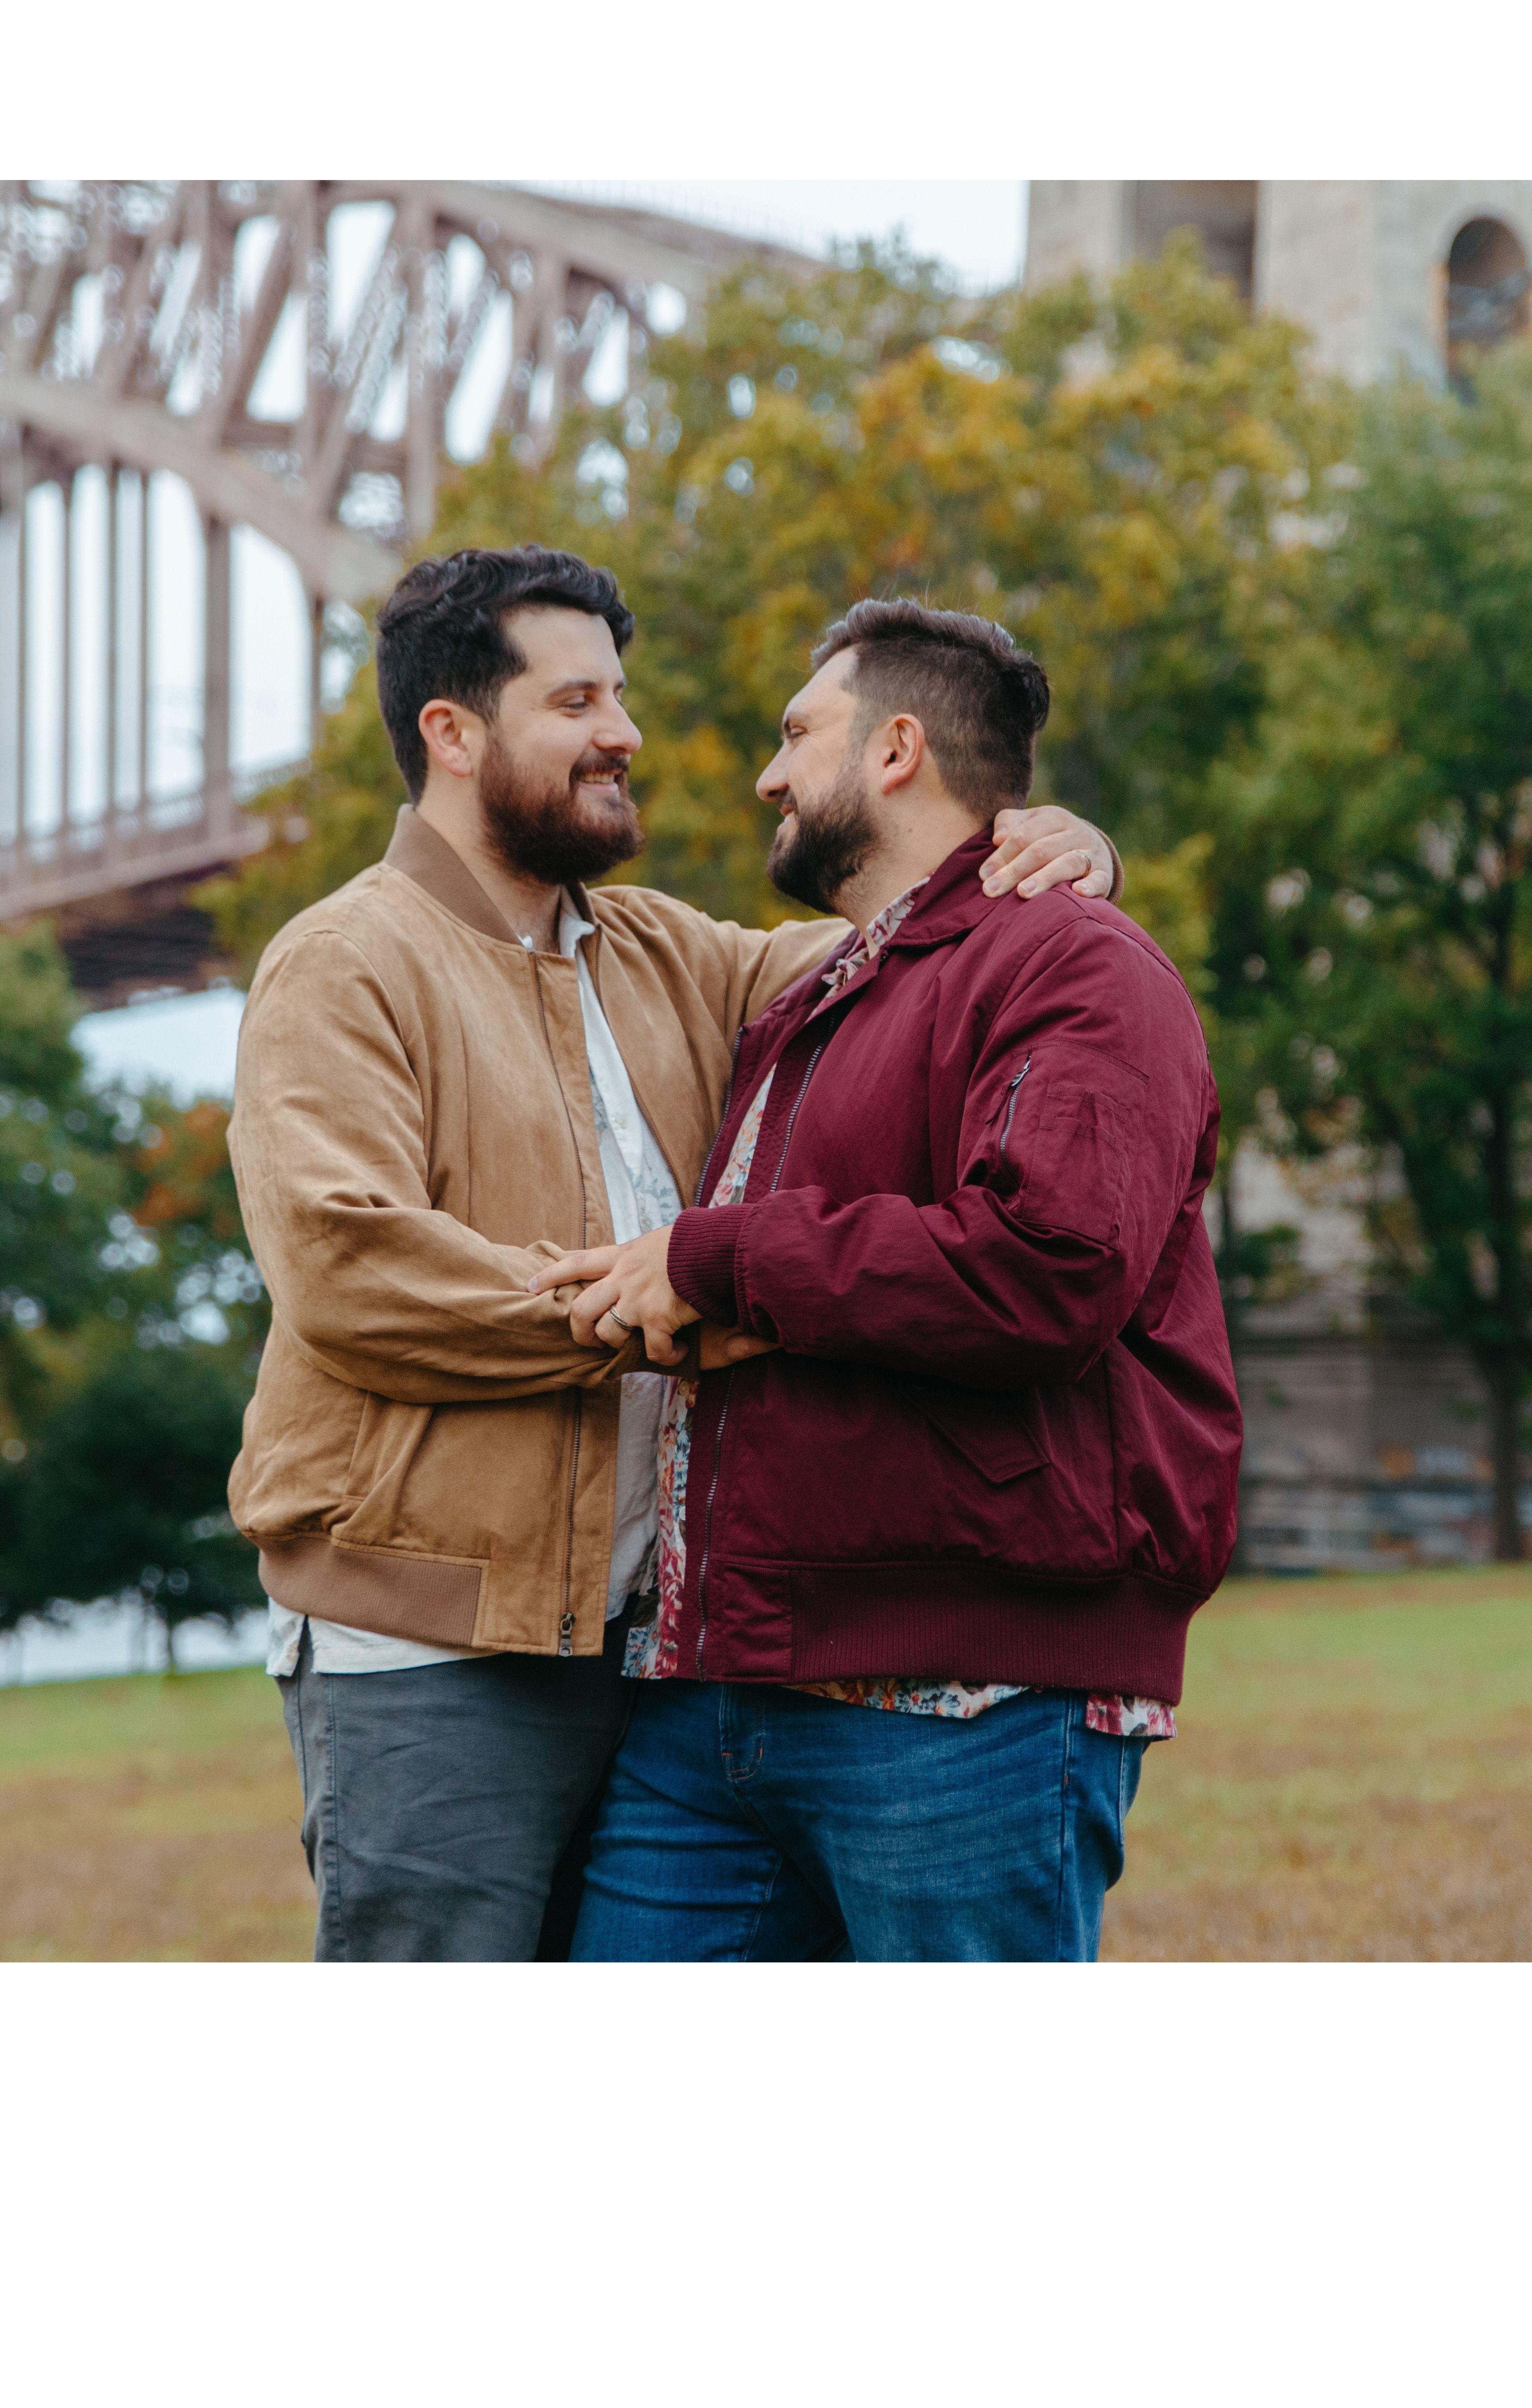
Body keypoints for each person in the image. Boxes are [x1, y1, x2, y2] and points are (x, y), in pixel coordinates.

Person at [223, 547, 1119, 1961]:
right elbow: (351, 1270)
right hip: (433, 1656)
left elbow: (918, 946)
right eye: (576, 701)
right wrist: (684, 1307)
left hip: (646, 1651)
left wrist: (1046, 855)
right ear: (453, 734)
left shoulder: (665, 955)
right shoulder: (344, 960)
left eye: (619, 696)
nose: (624, 733)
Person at [532, 597, 1242, 1962]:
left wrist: (712, 1259)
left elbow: (1049, 1265)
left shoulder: (1079, 964)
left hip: (972, 1703)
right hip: (720, 1693)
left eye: (797, 734)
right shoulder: (811, 1000)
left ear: (897, 749)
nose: (769, 775)